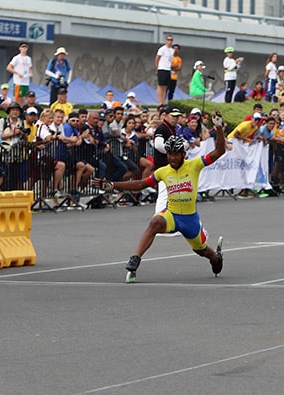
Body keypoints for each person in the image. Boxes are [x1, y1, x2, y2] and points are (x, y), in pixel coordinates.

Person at [91, 112, 227, 283]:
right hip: (172, 215)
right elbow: (141, 184)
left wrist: (220, 127)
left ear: (183, 154)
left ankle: (216, 257)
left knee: (203, 252)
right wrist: (112, 185)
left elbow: (219, 151)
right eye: (169, 154)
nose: (172, 157)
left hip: (190, 219)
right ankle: (135, 258)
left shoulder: (194, 165)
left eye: (176, 154)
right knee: (155, 222)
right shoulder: (163, 171)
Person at [155, 34, 175, 106]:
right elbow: (157, 58)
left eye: (171, 40)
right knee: (160, 85)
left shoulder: (172, 50)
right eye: (168, 40)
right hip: (162, 68)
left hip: (168, 69)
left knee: (166, 86)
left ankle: (164, 101)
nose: (169, 41)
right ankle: (160, 101)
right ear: (166, 41)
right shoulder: (162, 49)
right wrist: (157, 67)